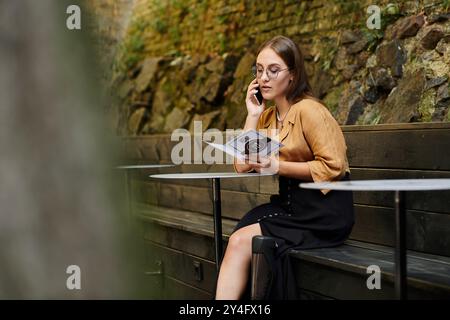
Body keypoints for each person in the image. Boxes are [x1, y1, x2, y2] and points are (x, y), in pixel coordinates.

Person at [215, 35, 354, 300]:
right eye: (259, 70)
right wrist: (252, 115)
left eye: (273, 70)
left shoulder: (310, 111)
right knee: (239, 236)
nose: (264, 77)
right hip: (290, 207)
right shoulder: (267, 116)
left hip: (325, 211)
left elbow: (333, 167)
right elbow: (241, 165)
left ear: (292, 75)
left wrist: (277, 165)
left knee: (242, 240)